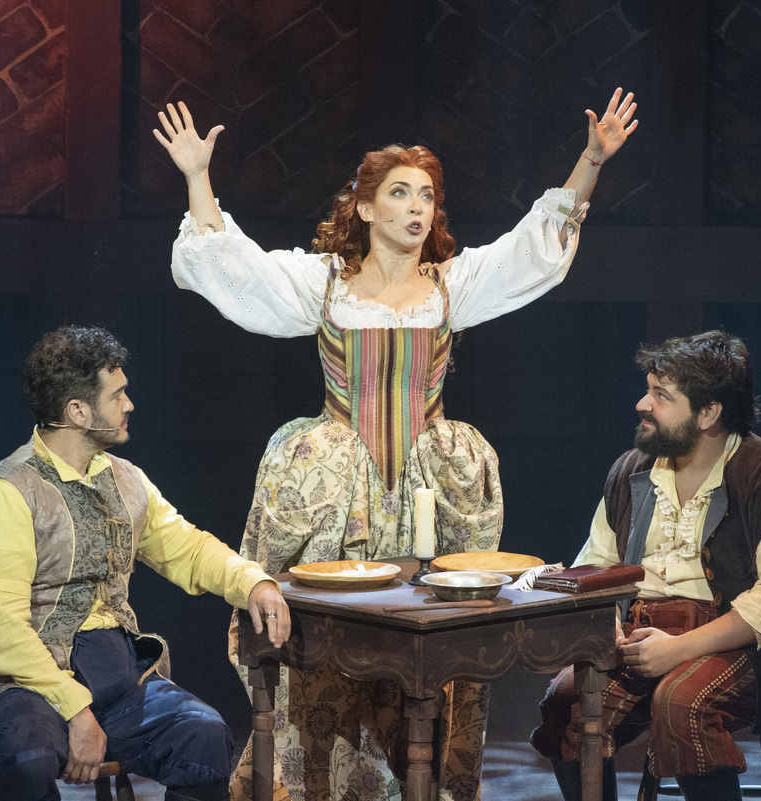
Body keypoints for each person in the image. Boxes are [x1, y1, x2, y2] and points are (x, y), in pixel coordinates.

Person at [155, 89, 639, 801]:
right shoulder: (324, 285)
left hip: (429, 493)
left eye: (428, 197)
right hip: (335, 497)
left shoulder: (449, 287)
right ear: (364, 207)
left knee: (433, 657)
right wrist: (199, 177)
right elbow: (235, 269)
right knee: (325, 651)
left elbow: (529, 251)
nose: (418, 209)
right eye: (401, 193)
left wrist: (591, 160)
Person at [0, 325, 291, 801]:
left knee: (204, 734)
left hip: (115, 677)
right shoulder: (7, 494)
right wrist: (76, 711)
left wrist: (254, 582)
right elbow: (2, 632)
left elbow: (188, 548)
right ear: (77, 411)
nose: (129, 404)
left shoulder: (126, 480)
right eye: (117, 395)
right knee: (28, 761)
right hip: (28, 685)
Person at [530, 331, 761, 801]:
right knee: (567, 700)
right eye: (648, 390)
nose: (642, 404)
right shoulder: (633, 472)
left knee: (681, 702)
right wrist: (604, 622)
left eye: (661, 395)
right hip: (640, 636)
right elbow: (596, 564)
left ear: (708, 413)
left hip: (740, 645)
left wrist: (679, 649)